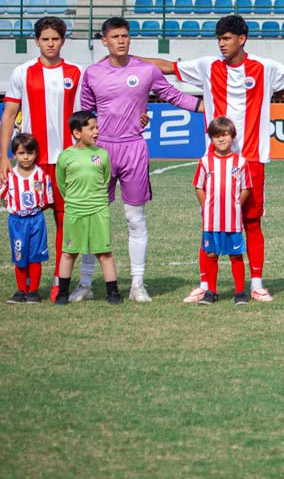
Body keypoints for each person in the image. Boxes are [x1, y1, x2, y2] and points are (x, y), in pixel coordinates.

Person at [141, 15, 284, 302]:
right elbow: (167, 67)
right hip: (216, 160)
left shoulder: (264, 68)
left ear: (241, 39)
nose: (222, 44)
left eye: (227, 38)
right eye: (219, 39)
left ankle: (255, 284)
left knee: (252, 223)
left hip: (252, 158)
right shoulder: (207, 66)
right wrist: (122, 56)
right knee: (210, 221)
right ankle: (206, 284)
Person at [78, 17, 203, 303]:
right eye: (115, 36)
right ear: (104, 41)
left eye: (125, 35)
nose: (121, 40)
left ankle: (137, 284)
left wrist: (204, 106)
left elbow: (171, 95)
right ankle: (85, 283)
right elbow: (86, 114)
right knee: (92, 218)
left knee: (135, 219)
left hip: (134, 149)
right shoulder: (93, 73)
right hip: (102, 151)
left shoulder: (146, 71)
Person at [0, 16, 81, 301]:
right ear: (37, 41)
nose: (50, 43)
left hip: (64, 162)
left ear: (63, 41)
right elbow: (9, 115)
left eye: (55, 39)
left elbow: (83, 118)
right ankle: (26, 287)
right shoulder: (22, 72)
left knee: (64, 222)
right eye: (45, 39)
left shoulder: (75, 72)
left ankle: (61, 282)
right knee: (24, 223)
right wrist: (4, 158)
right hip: (30, 165)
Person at [53, 111, 119, 305]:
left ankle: (113, 293)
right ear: (77, 133)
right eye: (91, 128)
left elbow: (106, 180)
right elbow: (62, 184)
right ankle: (63, 293)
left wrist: (95, 200)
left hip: (99, 210)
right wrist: (75, 201)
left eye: (97, 127)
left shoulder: (102, 155)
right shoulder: (66, 156)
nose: (96, 131)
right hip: (75, 211)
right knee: (69, 253)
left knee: (104, 253)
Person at [190, 117, 251, 305]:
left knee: (235, 254)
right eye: (217, 136)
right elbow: (199, 186)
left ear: (232, 137)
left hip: (232, 219)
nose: (221, 139)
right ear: (211, 138)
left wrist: (236, 205)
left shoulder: (240, 162)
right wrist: (206, 204)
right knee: (211, 254)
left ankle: (240, 291)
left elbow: (246, 188)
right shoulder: (205, 162)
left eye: (224, 135)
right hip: (211, 220)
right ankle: (211, 291)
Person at [3, 134, 52, 304]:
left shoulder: (41, 175)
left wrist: (35, 211)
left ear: (36, 154)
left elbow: (46, 199)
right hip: (17, 221)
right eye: (21, 153)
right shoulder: (9, 175)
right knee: (20, 255)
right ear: (14, 155)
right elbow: (4, 195)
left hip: (36, 219)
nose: (26, 157)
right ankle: (21, 290)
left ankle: (33, 291)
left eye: (30, 153)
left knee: (35, 256)